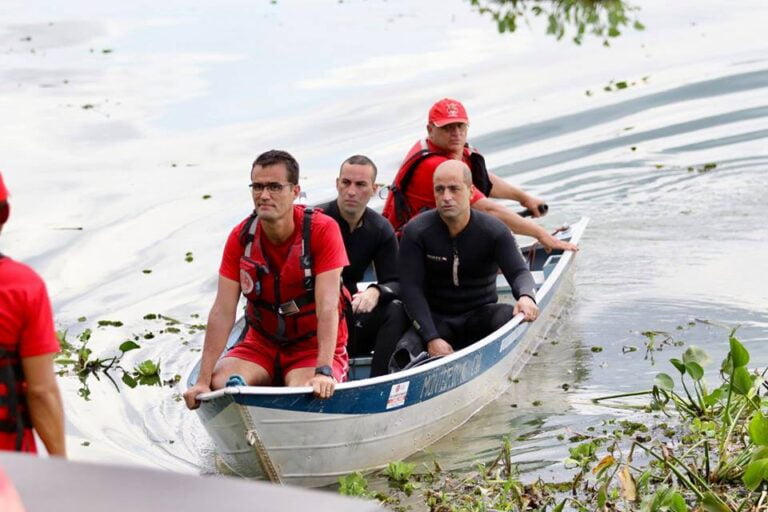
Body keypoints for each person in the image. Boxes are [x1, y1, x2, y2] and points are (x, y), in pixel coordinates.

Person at [184, 150, 350, 409]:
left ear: (295, 191)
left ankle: (288, 383)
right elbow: (222, 311)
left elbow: (328, 307)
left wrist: (324, 371)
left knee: (304, 391)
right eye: (258, 186)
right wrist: (202, 381)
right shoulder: (241, 237)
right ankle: (251, 385)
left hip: (310, 345)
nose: (264, 195)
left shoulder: (322, 230)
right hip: (260, 342)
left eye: (274, 187)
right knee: (222, 383)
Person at [393, 160, 539, 367]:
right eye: (439, 190)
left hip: (481, 314)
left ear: (470, 192)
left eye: (454, 189)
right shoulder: (417, 231)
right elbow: (411, 289)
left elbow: (519, 272)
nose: (446, 197)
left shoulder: (494, 230)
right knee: (403, 354)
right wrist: (432, 338)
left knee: (514, 317)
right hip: (436, 319)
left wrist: (526, 296)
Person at [382, 98, 578, 252]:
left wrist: (524, 198)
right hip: (407, 248)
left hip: (434, 236)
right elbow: (488, 210)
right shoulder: (434, 165)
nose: (456, 133)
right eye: (448, 127)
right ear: (430, 130)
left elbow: (482, 178)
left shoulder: (452, 150)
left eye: (460, 126)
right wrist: (541, 235)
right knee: (489, 226)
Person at [316, 155, 409, 377]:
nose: (351, 191)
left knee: (397, 310)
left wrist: (376, 291)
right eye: (346, 183)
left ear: (374, 188)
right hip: (314, 316)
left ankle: (379, 381)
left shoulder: (379, 229)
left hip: (349, 313)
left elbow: (396, 281)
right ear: (337, 183)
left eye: (360, 185)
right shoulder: (316, 220)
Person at [0, 171, 66, 456]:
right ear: (4, 213)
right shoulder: (21, 286)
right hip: (10, 469)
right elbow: (41, 392)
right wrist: (60, 464)